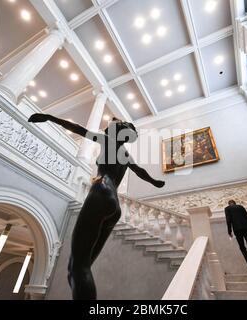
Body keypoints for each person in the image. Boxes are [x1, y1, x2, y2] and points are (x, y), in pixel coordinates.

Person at [28, 113, 165, 300]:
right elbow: (140, 171)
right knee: (79, 268)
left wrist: (49, 117)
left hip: (100, 192)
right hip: (114, 205)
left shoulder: (107, 140)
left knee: (77, 266)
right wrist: (155, 182)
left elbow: (78, 129)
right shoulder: (125, 154)